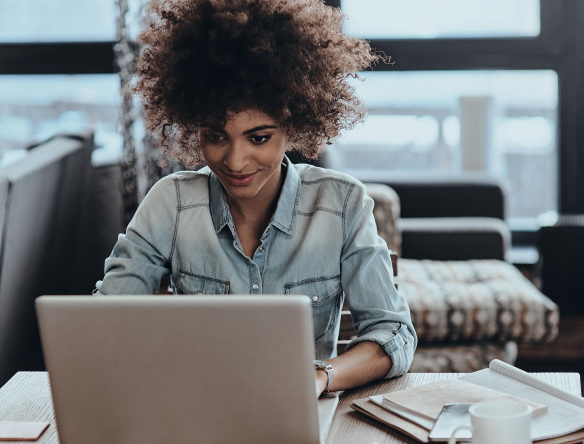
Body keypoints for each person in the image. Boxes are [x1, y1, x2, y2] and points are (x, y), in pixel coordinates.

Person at [96, 0, 417, 397]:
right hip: (197, 406)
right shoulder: (170, 204)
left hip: (301, 410)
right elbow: (103, 323)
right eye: (215, 136)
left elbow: (393, 334)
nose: (235, 161)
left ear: (292, 124)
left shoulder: (341, 204)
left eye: (259, 138)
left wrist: (320, 377)